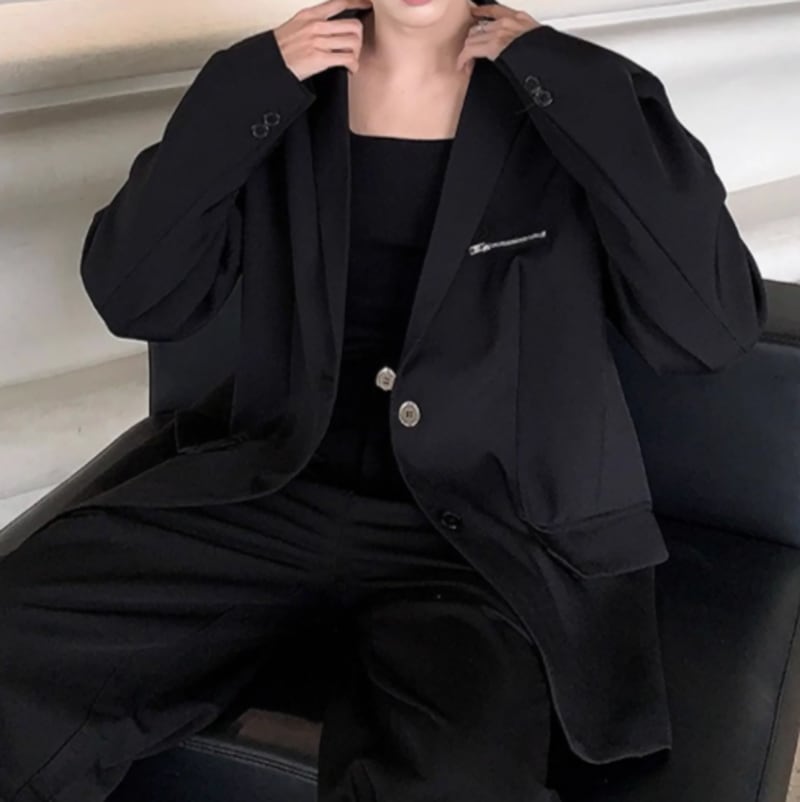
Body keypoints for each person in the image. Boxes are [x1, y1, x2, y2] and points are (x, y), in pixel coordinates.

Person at [0, 0, 766, 800]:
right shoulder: (281, 87)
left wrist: (574, 82)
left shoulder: (571, 92)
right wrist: (242, 89)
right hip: (270, 487)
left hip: (486, 532)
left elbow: (709, 331)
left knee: (453, 777)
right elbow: (137, 298)